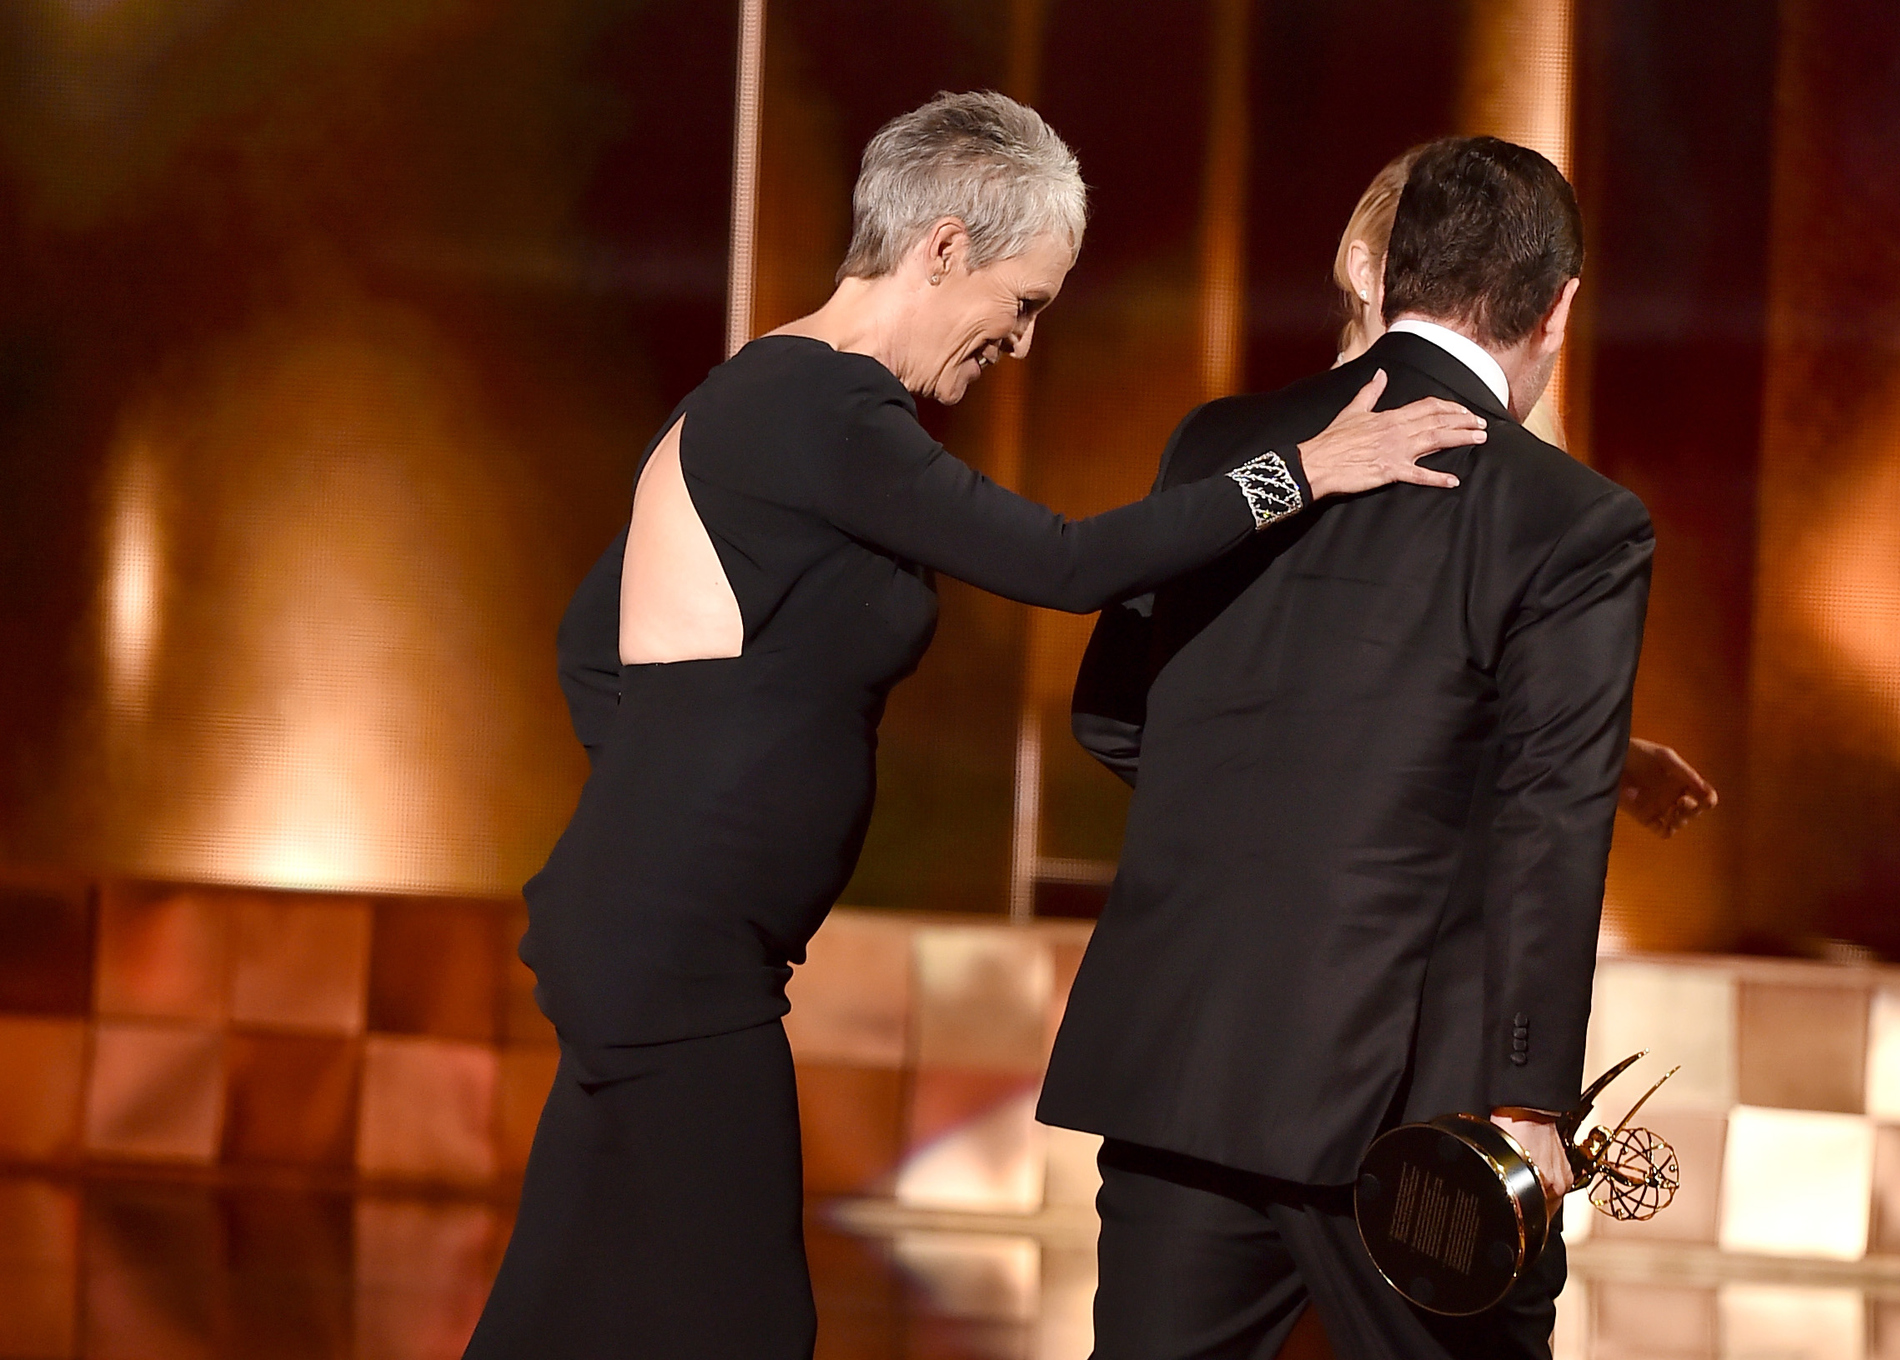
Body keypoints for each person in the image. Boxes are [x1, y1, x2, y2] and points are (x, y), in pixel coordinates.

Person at [462, 92, 1487, 1360]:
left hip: (652, 931)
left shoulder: (763, 400)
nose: (1021, 338)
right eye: (1025, 300)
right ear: (944, 246)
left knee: (559, 1312)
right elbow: (1063, 562)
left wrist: (678, 812)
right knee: (742, 1325)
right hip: (674, 953)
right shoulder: (816, 405)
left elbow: (588, 648)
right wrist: (1301, 471)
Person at [1039, 136, 1654, 1360]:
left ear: (1390, 270)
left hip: (1183, 1065)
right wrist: (1530, 1102)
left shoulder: (1219, 444)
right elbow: (1549, 819)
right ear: (1560, 309)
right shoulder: (1573, 523)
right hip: (1408, 1113)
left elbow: (1114, 712)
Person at [1333, 148, 1717, 839]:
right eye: (1425, 266)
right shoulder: (1299, 447)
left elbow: (1465, 676)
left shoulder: (1520, 429)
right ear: (1368, 272)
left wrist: (1594, 752)